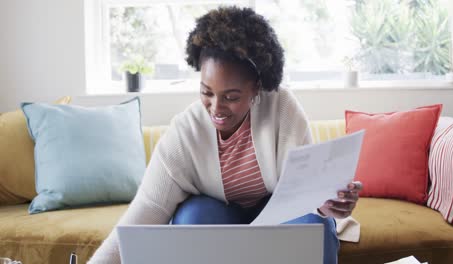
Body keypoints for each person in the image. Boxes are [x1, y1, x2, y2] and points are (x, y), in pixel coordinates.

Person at [88, 6, 362, 264]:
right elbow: (144, 213)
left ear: (256, 88)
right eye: (206, 92)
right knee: (191, 218)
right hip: (217, 213)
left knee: (313, 230)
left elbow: (305, 196)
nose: (216, 108)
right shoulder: (184, 134)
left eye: (231, 97)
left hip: (279, 213)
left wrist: (329, 204)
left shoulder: (282, 109)